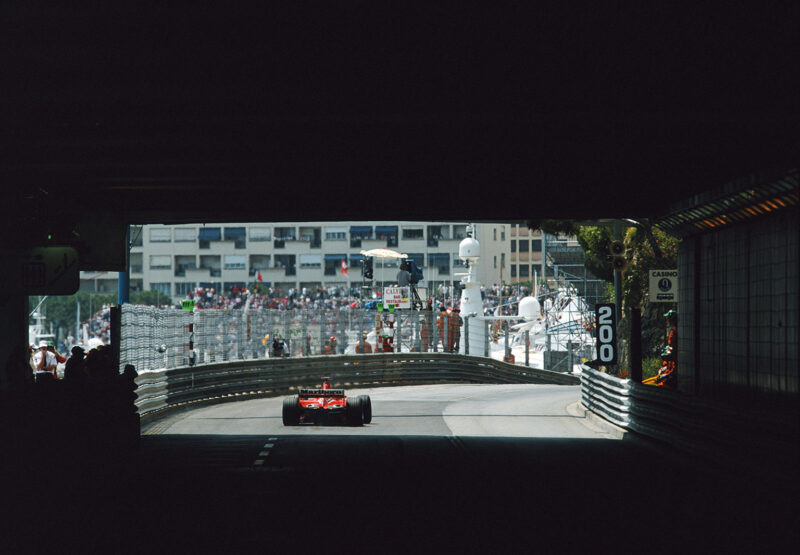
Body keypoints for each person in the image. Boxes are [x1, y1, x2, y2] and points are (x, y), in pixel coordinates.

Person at [656, 310, 678, 388]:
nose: (667, 321)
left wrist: (665, 376)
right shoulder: (673, 331)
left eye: (668, 319)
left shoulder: (675, 332)